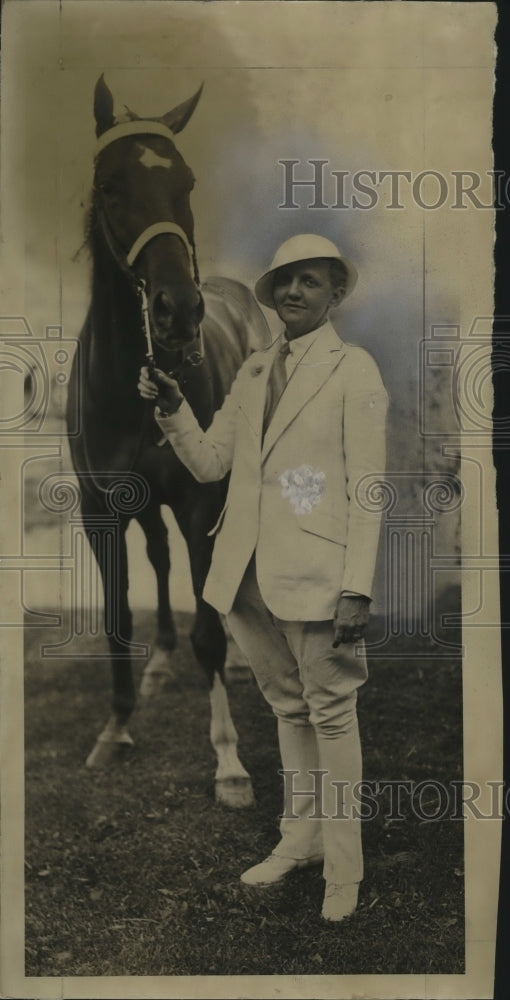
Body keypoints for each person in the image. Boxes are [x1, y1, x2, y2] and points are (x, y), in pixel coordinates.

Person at [138, 233, 388, 922]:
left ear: (335, 293)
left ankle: (343, 872)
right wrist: (172, 405)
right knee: (286, 707)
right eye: (283, 281)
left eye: (309, 281)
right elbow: (212, 462)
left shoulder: (354, 371)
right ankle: (298, 841)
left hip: (318, 572)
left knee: (332, 713)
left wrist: (357, 585)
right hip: (245, 574)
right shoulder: (252, 370)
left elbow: (370, 486)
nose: (292, 293)